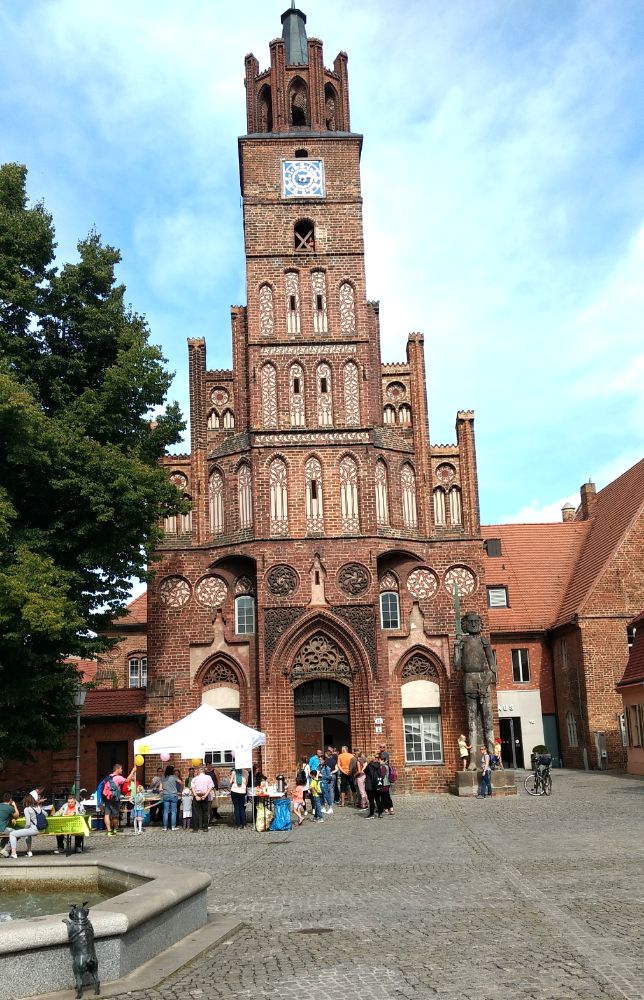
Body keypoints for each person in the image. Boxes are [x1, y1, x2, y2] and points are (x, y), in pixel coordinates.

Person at [1, 794, 40, 858]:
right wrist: (14, 805)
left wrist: (11, 818)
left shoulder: (27, 809)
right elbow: (17, 815)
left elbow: (4, 815)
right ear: (10, 800)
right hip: (40, 828)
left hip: (3, 829)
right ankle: (5, 850)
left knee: (15, 834)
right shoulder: (38, 807)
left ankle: (11, 852)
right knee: (16, 833)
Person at [102, 763, 136, 837]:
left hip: (107, 797)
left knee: (107, 814)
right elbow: (127, 780)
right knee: (115, 814)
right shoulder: (118, 777)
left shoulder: (108, 777)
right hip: (114, 798)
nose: (122, 770)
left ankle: (109, 831)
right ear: (117, 769)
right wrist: (132, 772)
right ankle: (116, 828)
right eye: (121, 769)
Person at [190, 766, 214, 832]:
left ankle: (195, 828)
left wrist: (196, 796)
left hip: (197, 795)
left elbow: (192, 788)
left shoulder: (195, 778)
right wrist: (205, 795)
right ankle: (205, 827)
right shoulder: (208, 777)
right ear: (204, 771)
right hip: (205, 795)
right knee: (205, 812)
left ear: (198, 771)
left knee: (195, 812)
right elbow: (210, 787)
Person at [161, 765, 183, 830]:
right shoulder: (174, 777)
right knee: (173, 811)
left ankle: (165, 827)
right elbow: (181, 783)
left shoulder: (163, 777)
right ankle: (173, 826)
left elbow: (160, 788)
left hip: (165, 795)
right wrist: (181, 791)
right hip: (173, 795)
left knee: (165, 811)